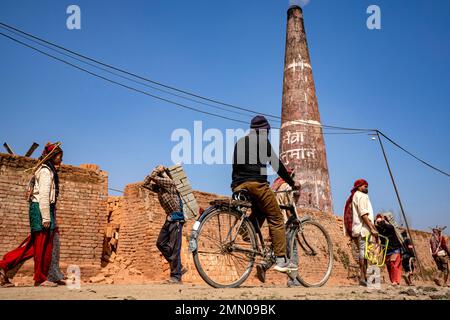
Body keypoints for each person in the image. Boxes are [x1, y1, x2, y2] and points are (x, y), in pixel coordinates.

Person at [231, 115, 301, 283]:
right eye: (268, 131)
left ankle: (247, 231)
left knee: (260, 212)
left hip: (238, 185)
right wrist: (291, 182)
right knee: (276, 217)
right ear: (263, 130)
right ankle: (280, 260)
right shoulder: (262, 141)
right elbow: (277, 166)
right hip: (256, 184)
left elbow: (235, 166)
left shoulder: (240, 142)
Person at [0, 142, 66, 287]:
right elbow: (43, 195)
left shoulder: (48, 171)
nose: (61, 159)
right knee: (41, 245)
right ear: (53, 156)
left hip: (46, 209)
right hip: (42, 210)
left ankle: (5, 266)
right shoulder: (45, 172)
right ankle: (40, 278)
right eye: (60, 156)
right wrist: (46, 217)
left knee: (40, 244)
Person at [142, 165, 188, 284]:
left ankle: (176, 277)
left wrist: (157, 170)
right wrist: (157, 171)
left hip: (177, 219)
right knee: (160, 243)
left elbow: (152, 176)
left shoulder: (170, 183)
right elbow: (145, 184)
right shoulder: (160, 188)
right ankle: (179, 267)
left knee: (174, 248)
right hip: (169, 218)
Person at [343, 179, 379, 287]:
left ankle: (365, 278)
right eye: (364, 186)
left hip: (359, 229)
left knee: (364, 254)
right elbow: (364, 214)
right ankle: (365, 278)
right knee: (365, 254)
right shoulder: (362, 196)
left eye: (367, 186)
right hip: (364, 229)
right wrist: (372, 229)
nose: (366, 188)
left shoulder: (356, 196)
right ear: (358, 187)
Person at [271, 167, 301, 287]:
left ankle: (264, 265)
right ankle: (293, 280)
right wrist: (295, 220)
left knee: (277, 250)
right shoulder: (287, 187)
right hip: (285, 222)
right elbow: (289, 208)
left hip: (275, 223)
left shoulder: (276, 187)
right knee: (292, 250)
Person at [375, 214, 403, 286]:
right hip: (387, 250)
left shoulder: (390, 227)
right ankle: (393, 281)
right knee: (389, 266)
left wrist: (381, 221)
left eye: (380, 220)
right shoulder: (380, 229)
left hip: (395, 248)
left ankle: (395, 281)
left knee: (393, 264)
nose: (379, 223)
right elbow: (375, 228)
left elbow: (386, 226)